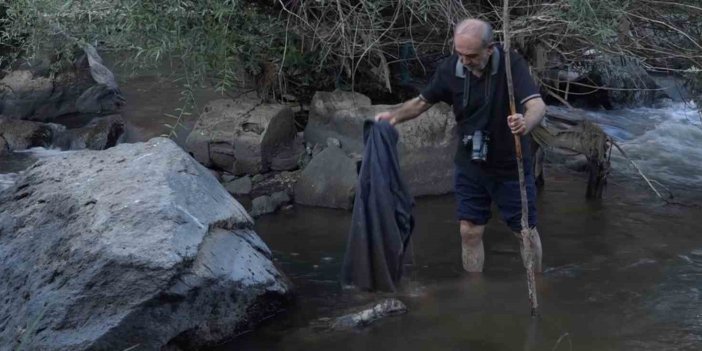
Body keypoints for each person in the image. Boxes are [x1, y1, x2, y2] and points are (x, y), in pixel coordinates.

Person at [375, 18, 545, 273]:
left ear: (490, 48)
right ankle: (474, 291)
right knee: (469, 230)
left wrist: (524, 123)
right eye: (460, 53)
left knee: (525, 232)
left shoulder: (511, 65)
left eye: (472, 55)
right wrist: (393, 117)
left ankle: (537, 284)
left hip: (512, 164)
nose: (465, 60)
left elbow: (537, 106)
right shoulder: (450, 69)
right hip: (471, 164)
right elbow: (422, 103)